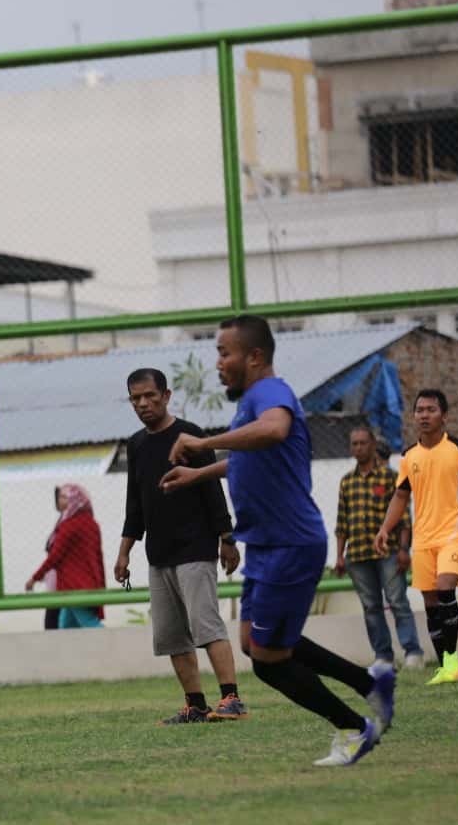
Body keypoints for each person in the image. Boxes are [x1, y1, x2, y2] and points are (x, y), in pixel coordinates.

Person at [162, 315, 395, 768]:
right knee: (255, 643)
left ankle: (353, 728)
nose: (218, 363)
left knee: (269, 660)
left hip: (289, 543)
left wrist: (204, 443)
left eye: (224, 353)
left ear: (255, 357)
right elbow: (250, 460)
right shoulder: (253, 400)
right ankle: (371, 686)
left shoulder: (270, 393)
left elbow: (274, 431)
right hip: (268, 545)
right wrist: (199, 473)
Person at [114, 367, 247, 726]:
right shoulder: (137, 445)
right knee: (172, 636)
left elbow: (212, 491)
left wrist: (226, 539)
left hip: (196, 548)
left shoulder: (191, 437)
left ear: (166, 396)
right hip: (158, 554)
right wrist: (125, 550)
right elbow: (135, 504)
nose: (143, 404)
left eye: (149, 396)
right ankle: (195, 705)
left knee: (206, 625)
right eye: (135, 398)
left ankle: (232, 698)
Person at [373, 389, 458, 685]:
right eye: (419, 410)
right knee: (430, 600)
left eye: (431, 410)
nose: (424, 415)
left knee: (445, 587)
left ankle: (452, 661)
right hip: (424, 538)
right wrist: (384, 528)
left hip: (455, 533)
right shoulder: (409, 456)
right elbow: (400, 496)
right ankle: (445, 665)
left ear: (444, 416)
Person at [334, 425, 424, 670]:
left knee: (397, 601)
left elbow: (404, 517)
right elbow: (342, 521)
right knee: (371, 607)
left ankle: (413, 652)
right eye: (355, 444)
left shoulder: (389, 477)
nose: (359, 448)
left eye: (363, 443)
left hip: (389, 552)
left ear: (373, 445)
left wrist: (404, 549)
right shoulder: (347, 482)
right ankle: (383, 657)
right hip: (358, 554)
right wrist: (339, 556)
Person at [26, 483, 106, 629]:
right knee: (66, 626)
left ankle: (112, 648)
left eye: (64, 497)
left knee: (89, 623)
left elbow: (55, 556)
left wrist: (35, 578)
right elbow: (96, 557)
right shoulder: (91, 523)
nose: (60, 500)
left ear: (74, 500)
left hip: (74, 586)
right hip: (87, 583)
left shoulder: (68, 526)